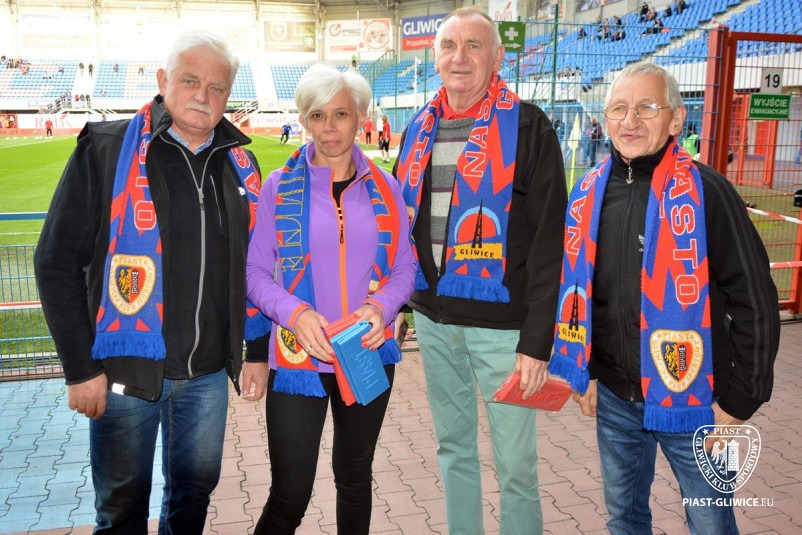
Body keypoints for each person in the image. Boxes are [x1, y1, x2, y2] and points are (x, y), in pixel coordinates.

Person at [34, 30, 271, 533]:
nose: (203, 96)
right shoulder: (106, 148)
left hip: (207, 376)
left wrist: (257, 350)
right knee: (121, 510)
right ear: (163, 81)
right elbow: (54, 261)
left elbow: (254, 268)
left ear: (229, 96)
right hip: (124, 374)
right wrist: (79, 369)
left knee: (191, 502)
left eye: (217, 87)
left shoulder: (239, 164)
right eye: (190, 81)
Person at [548, 62, 780, 535]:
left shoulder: (709, 192)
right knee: (625, 520)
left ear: (676, 119)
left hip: (697, 402)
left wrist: (741, 401)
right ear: (606, 119)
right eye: (619, 108)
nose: (630, 121)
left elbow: (754, 297)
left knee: (711, 524)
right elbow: (581, 293)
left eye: (647, 107)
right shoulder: (587, 194)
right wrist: (583, 370)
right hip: (615, 398)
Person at [394, 7, 567, 534]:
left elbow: (550, 242)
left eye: (474, 45)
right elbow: (403, 227)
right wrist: (400, 302)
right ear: (435, 57)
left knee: (516, 466)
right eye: (449, 45)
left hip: (504, 331)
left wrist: (537, 341)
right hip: (434, 321)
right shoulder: (418, 127)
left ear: (497, 57)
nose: (460, 57)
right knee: (453, 449)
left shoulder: (529, 126)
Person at [246, 63, 416, 535]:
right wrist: (295, 313)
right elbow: (254, 274)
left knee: (355, 478)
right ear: (303, 120)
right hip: (298, 357)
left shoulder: (386, 186)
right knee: (290, 494)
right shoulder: (278, 187)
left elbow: (406, 267)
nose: (329, 128)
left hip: (366, 351)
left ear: (360, 117)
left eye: (340, 114)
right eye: (317, 115)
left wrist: (382, 307)